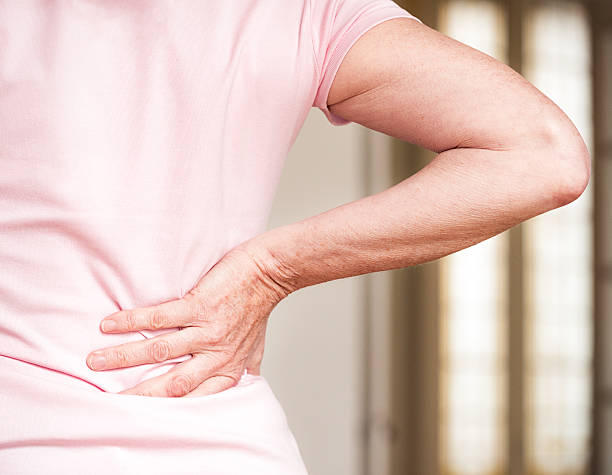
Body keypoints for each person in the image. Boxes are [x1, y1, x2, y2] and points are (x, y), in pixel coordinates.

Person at [0, 0, 590, 474]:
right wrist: (270, 269)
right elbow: (543, 153)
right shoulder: (305, 9)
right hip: (229, 448)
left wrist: (272, 269)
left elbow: (545, 159)